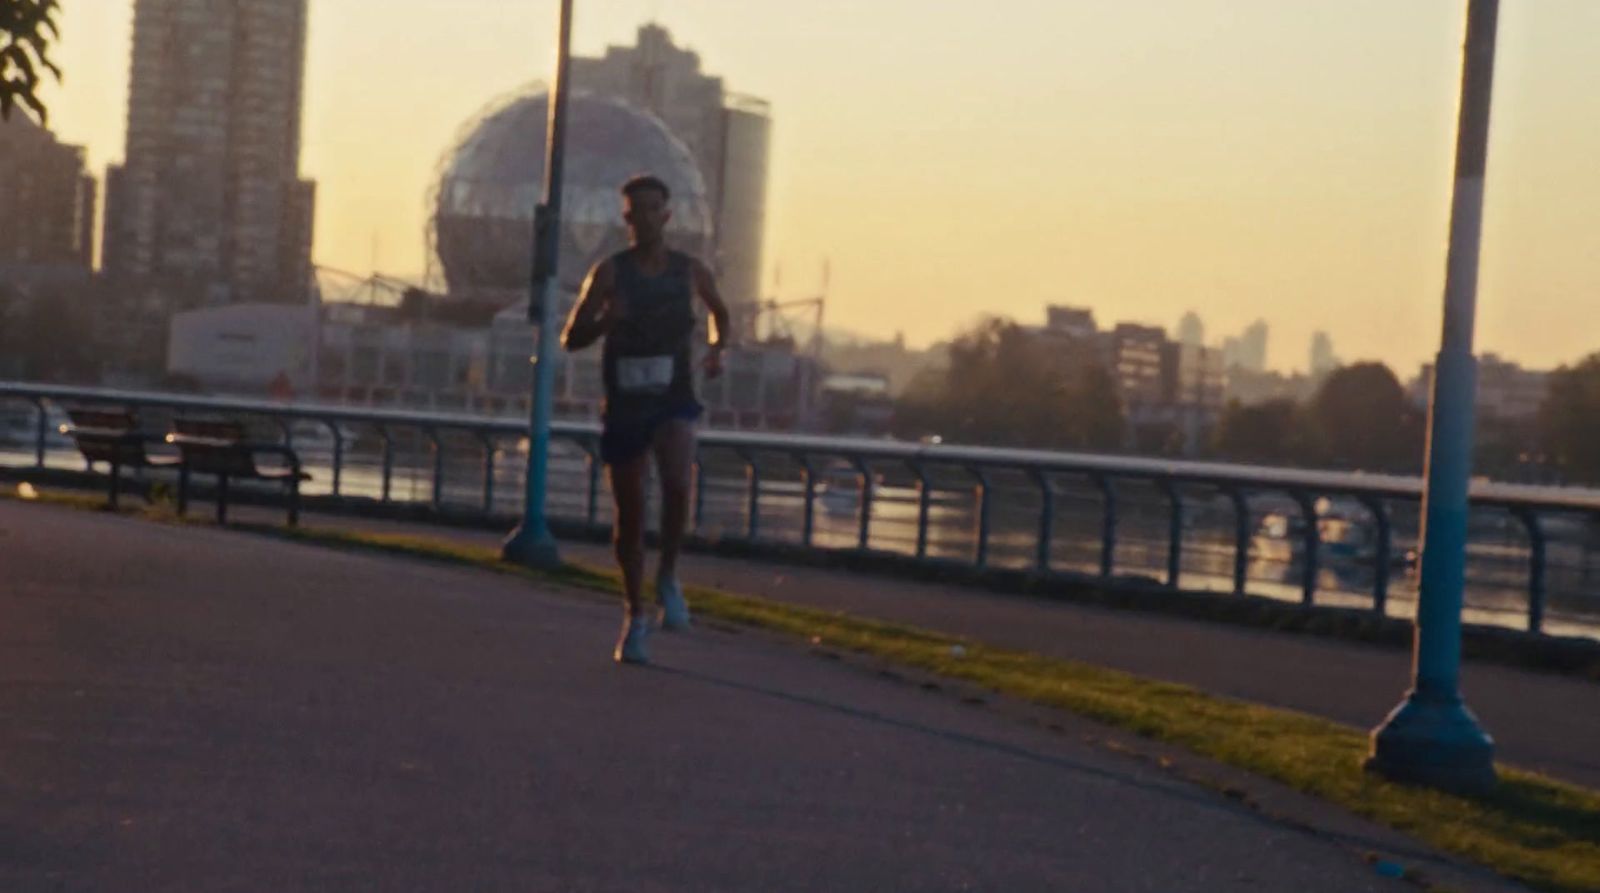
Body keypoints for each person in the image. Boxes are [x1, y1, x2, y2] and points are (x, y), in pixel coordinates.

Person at [561, 174, 731, 664]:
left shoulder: (689, 271)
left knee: (679, 482)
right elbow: (571, 338)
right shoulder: (610, 273)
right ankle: (634, 615)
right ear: (627, 218)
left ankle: (669, 575)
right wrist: (605, 322)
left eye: (656, 208)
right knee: (631, 513)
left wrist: (718, 350)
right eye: (638, 210)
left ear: (668, 215)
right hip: (626, 403)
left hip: (673, 395)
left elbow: (721, 312)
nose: (647, 217)